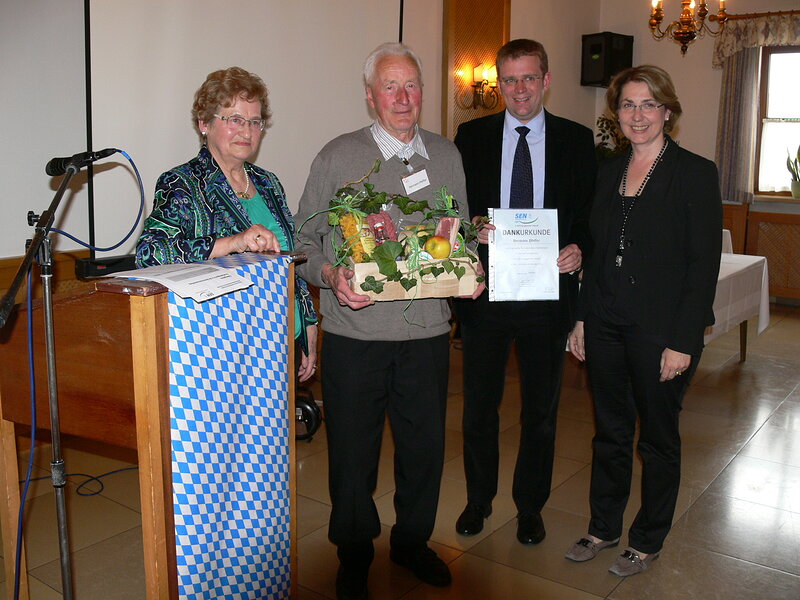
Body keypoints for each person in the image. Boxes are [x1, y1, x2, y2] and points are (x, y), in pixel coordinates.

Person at [294, 42, 473, 600]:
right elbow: (303, 241)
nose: (403, 97)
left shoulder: (446, 156)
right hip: (356, 337)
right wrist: (331, 276)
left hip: (426, 336)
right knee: (352, 453)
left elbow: (456, 232)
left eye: (412, 85)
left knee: (423, 451)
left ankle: (413, 542)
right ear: (370, 96)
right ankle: (352, 550)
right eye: (390, 87)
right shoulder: (337, 155)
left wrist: (470, 268)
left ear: (423, 91)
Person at [565, 65, 722, 577]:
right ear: (617, 112)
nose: (637, 115)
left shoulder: (695, 172)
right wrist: (583, 318)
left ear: (667, 111)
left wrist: (683, 340)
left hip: (662, 329)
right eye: (628, 105)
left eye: (648, 104)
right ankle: (603, 526)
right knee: (609, 432)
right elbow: (597, 249)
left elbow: (703, 266)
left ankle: (648, 537)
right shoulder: (607, 170)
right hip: (606, 320)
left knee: (657, 438)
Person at [452, 39, 596, 545]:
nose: (519, 89)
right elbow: (454, 208)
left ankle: (530, 505)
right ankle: (478, 499)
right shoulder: (469, 137)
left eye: (528, 78)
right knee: (478, 410)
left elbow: (587, 214)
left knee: (540, 411)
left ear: (546, 80)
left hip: (546, 294)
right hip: (486, 296)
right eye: (509, 79)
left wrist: (579, 245)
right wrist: (471, 226)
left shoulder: (577, 141)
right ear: (499, 83)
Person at [135, 67, 318, 380]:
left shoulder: (268, 183)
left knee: (275, 432)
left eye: (255, 121)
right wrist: (234, 243)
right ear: (204, 123)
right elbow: (149, 253)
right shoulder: (182, 183)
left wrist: (308, 322)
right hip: (222, 352)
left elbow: (289, 261)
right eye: (235, 119)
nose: (247, 131)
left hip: (283, 340)